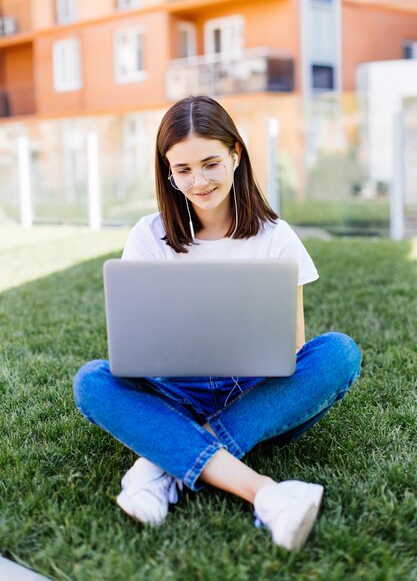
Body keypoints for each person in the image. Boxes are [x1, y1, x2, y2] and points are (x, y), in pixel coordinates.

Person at [73, 95, 361, 551]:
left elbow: (296, 345)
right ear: (167, 171)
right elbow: (137, 340)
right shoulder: (149, 236)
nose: (199, 181)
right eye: (182, 169)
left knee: (339, 353)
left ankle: (160, 465)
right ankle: (264, 493)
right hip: (173, 390)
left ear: (235, 154)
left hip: (253, 391)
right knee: (92, 381)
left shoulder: (276, 237)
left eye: (210, 163)